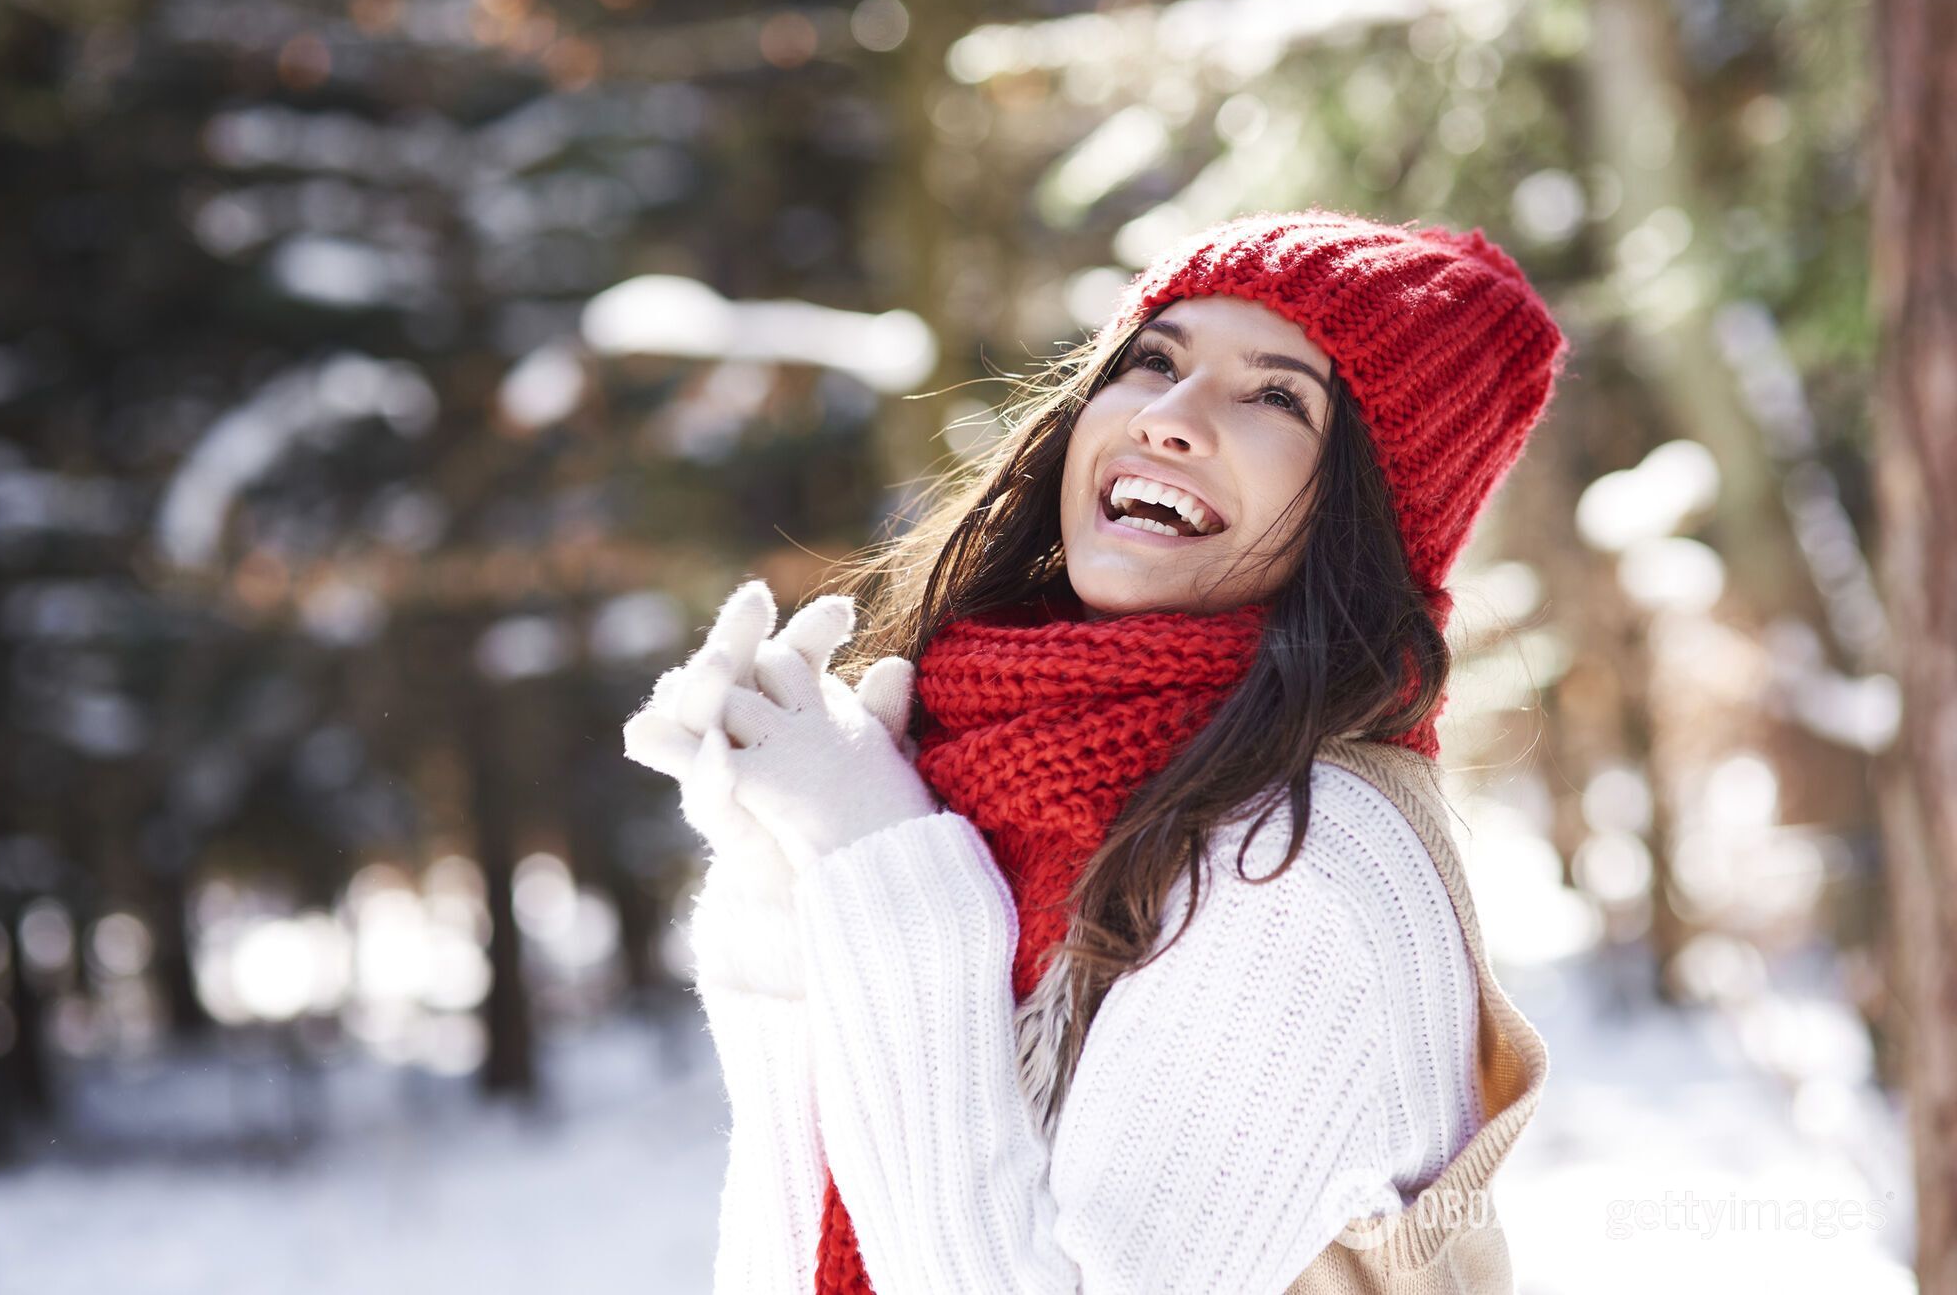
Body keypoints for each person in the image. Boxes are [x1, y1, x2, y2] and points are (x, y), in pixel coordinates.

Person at [624, 207, 1570, 1294]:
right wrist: (783, 878)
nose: (1168, 417)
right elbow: (809, 1250)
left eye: (1275, 395)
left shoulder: (1301, 861)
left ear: (1363, 516)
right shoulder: (1016, 774)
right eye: (1150, 360)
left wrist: (879, 861)